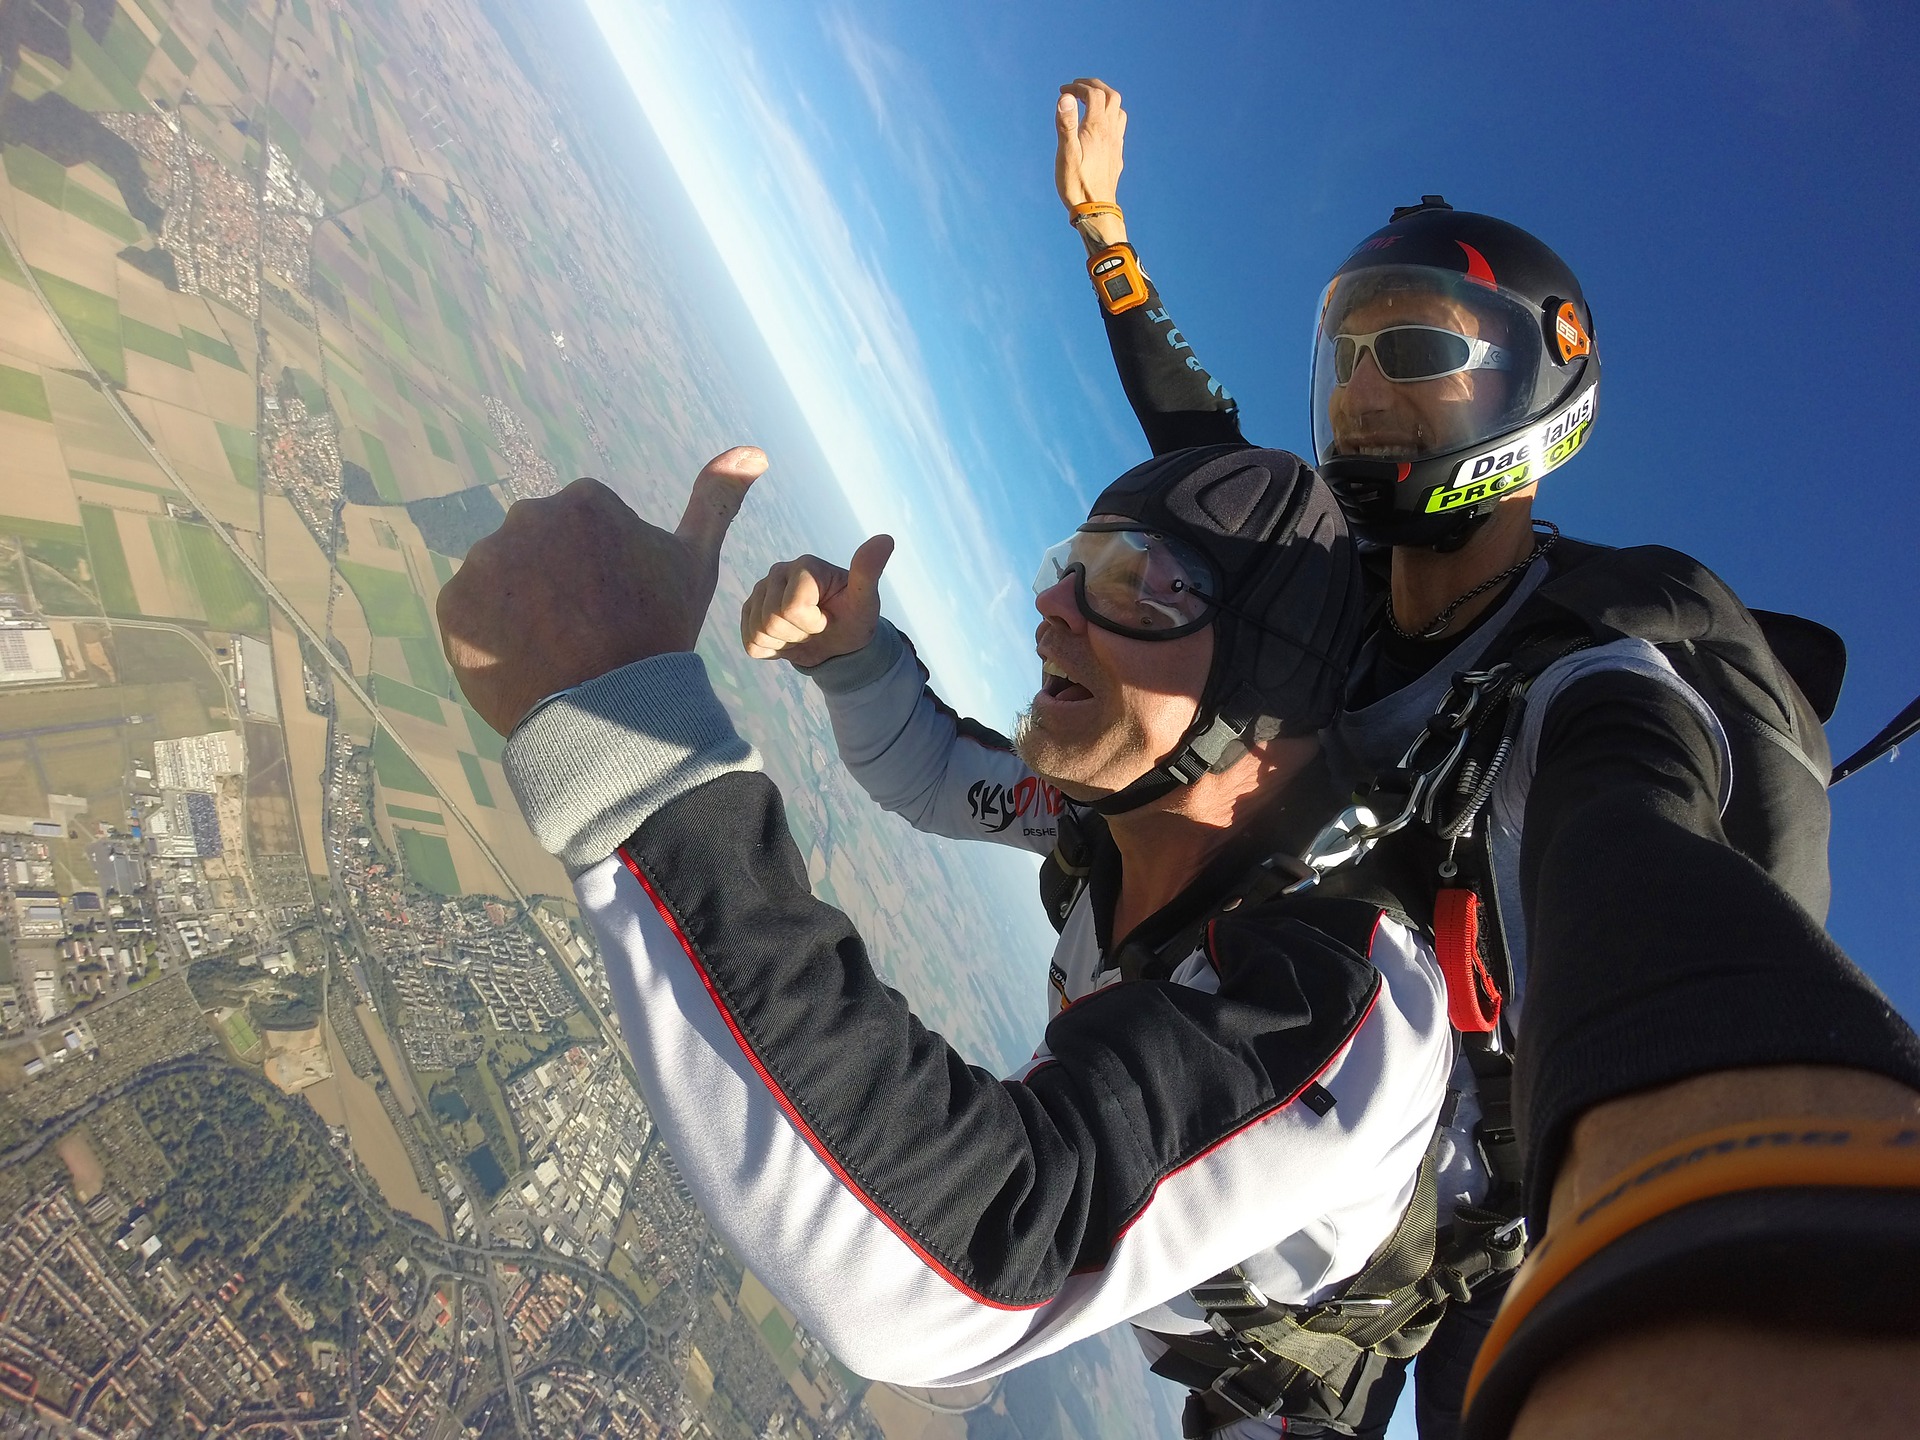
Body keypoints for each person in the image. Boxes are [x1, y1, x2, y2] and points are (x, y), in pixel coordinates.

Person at [1049, 80, 1920, 1438]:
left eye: (1416, 357)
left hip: (1497, 1196)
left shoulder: (1595, 658)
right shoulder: (1338, 588)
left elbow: (1631, 836)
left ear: (1540, 381)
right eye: (1348, 357)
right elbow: (1206, 448)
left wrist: (1777, 1204)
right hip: (1317, 1141)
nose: (1364, 395)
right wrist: (1106, 231)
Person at [443, 444, 1481, 1438]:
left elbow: (950, 1270)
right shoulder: (1120, 819)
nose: (1052, 604)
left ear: (1265, 693)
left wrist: (626, 741)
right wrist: (854, 661)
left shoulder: (1353, 1001)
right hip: (1181, 1307)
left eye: (1140, 582)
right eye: (1071, 566)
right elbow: (940, 772)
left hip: (1273, 1405)